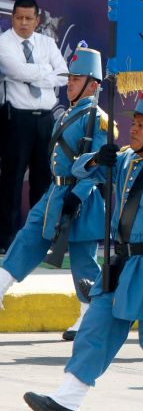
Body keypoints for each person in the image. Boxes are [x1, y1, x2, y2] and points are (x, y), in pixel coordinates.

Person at [23, 86, 143, 411]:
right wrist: (98, 158)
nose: (134, 128)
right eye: (134, 122)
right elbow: (81, 171)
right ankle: (67, 401)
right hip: (121, 266)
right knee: (95, 327)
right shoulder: (124, 158)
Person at [0, 44, 109, 341]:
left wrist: (79, 194)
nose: (68, 84)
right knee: (27, 238)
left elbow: (98, 167)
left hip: (80, 198)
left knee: (83, 261)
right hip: (55, 193)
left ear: (92, 85)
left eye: (75, 79)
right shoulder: (66, 115)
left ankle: (91, 316)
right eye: (69, 78)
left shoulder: (97, 119)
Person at [0, 0, 68, 252]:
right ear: (12, 18)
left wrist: (39, 72)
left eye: (29, 18)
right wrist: (44, 71)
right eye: (19, 18)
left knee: (44, 179)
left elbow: (63, 75)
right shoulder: (3, 43)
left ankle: (41, 239)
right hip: (16, 119)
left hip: (46, 119)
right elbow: (16, 71)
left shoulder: (47, 43)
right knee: (12, 179)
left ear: (38, 20)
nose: (24, 23)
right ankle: (6, 239)